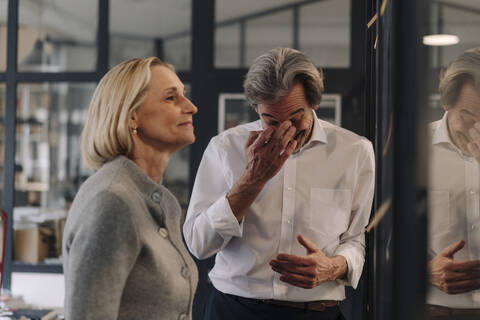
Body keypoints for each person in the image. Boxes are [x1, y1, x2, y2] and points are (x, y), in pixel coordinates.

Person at [183, 48, 375, 320]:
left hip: (317, 312)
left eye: (296, 118)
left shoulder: (355, 151)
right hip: (233, 310)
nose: (287, 130)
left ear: (314, 103)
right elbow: (199, 244)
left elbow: (355, 239)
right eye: (270, 120)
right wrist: (251, 180)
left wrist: (334, 267)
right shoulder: (225, 148)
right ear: (256, 108)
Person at [62, 57, 198, 320]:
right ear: (132, 115)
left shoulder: (152, 199)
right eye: (171, 98)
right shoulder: (112, 201)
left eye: (184, 95)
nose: (191, 107)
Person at [426, 48, 480, 319]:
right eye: (469, 118)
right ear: (446, 103)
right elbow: (382, 236)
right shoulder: (414, 149)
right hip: (436, 310)